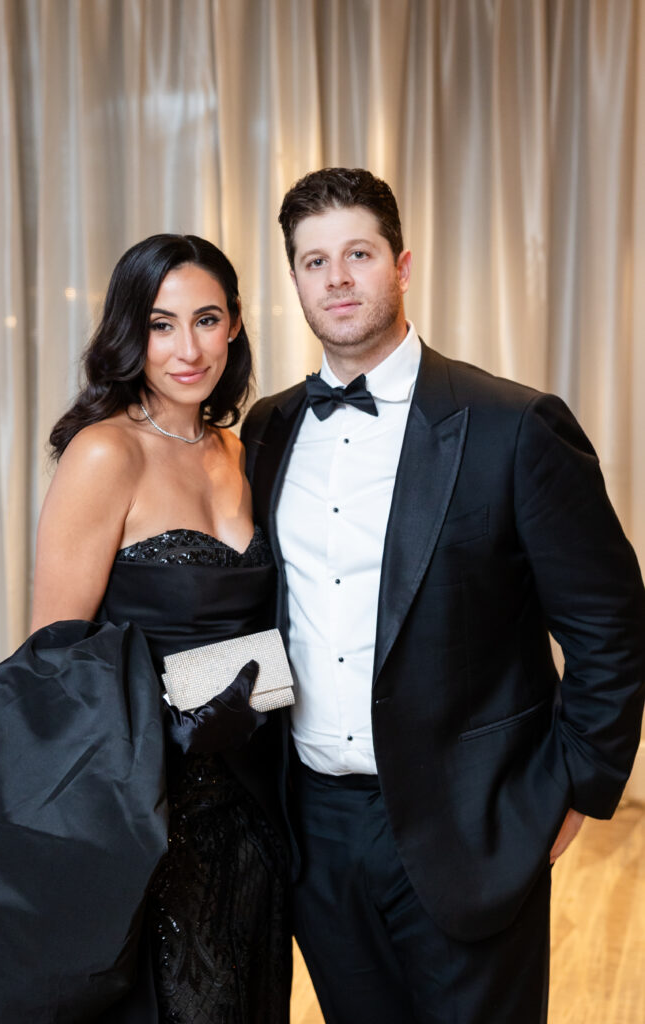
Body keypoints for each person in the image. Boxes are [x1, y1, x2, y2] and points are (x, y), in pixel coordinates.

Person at [241, 168, 645, 1024]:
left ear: (401, 265)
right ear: (295, 281)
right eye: (314, 261)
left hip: (472, 823)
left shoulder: (513, 426)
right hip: (313, 827)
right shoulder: (268, 429)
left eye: (357, 254)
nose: (336, 278)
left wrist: (574, 789)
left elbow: (609, 624)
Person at [0, 234, 291, 1023]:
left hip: (250, 810)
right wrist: (172, 727)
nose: (188, 349)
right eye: (160, 324)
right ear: (129, 332)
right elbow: (53, 672)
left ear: (234, 325)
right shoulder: (105, 452)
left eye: (205, 320)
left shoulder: (241, 452)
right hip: (146, 818)